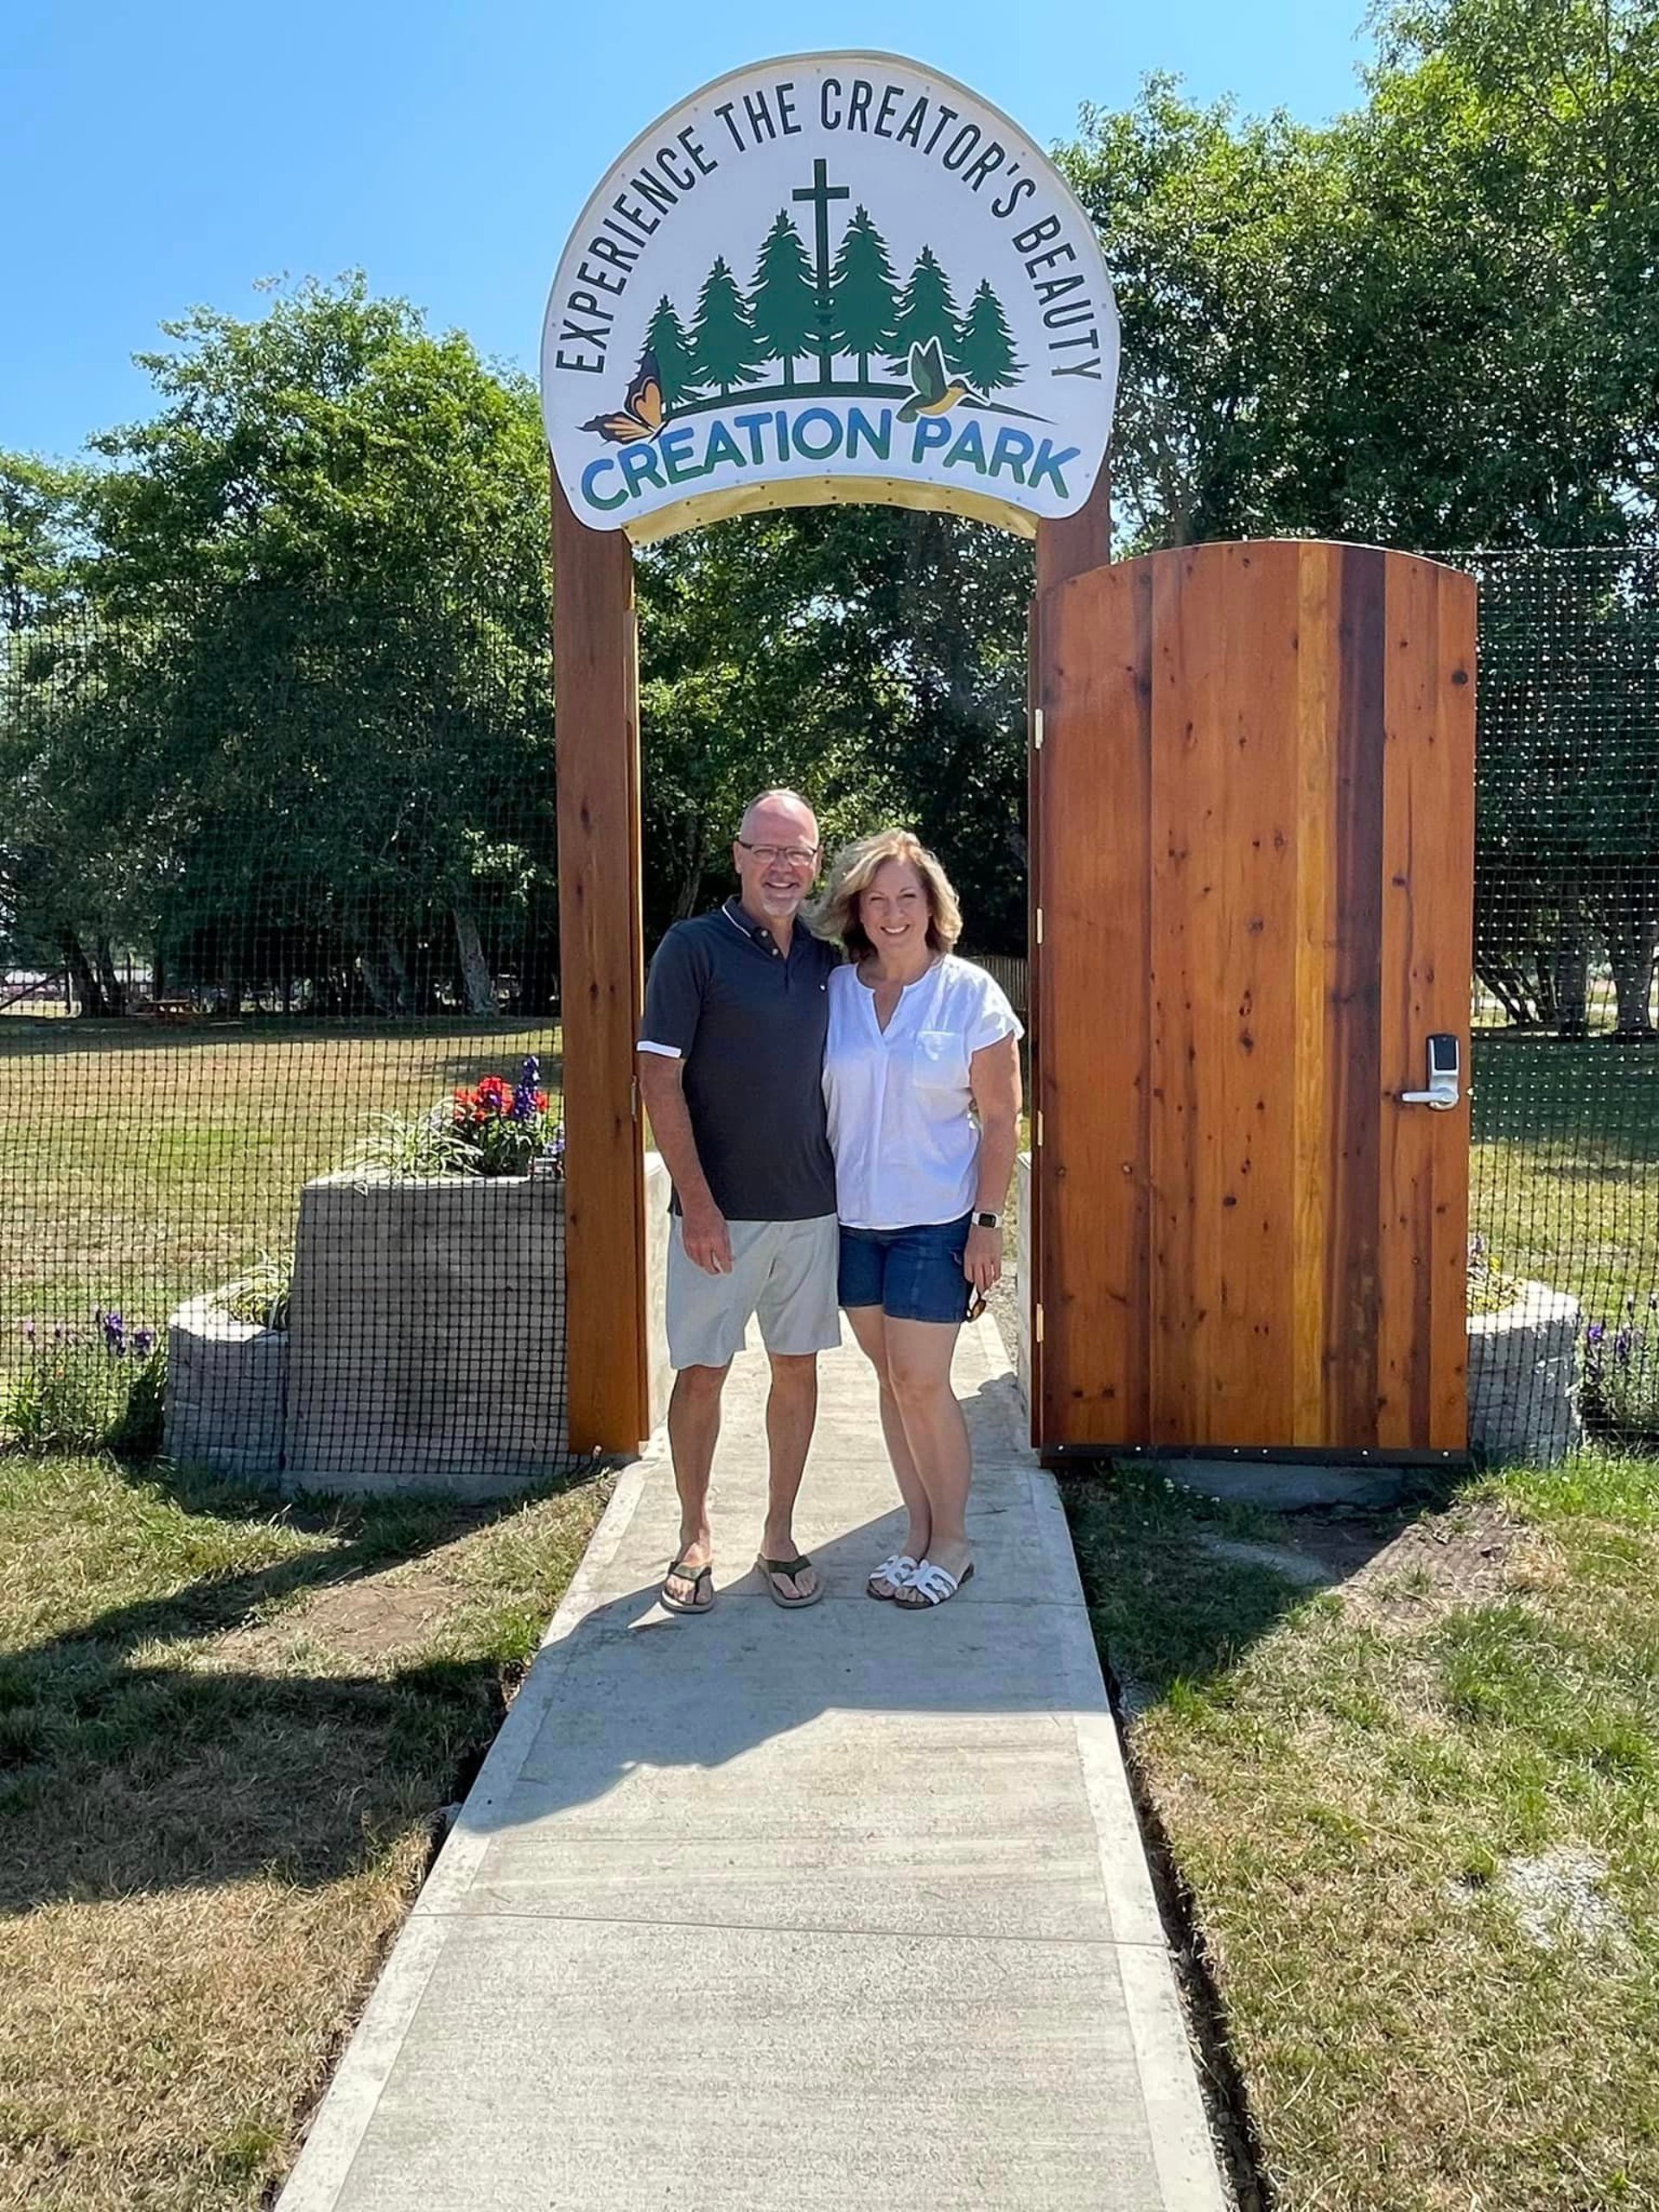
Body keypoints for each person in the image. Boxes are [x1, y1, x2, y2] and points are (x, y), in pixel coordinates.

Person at [636, 789, 842, 1615]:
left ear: (816, 863)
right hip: (717, 1217)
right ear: (739, 856)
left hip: (812, 1212)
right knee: (703, 1374)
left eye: (798, 852)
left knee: (798, 1370)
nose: (783, 866)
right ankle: (694, 1533)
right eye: (768, 849)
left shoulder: (832, 960)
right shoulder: (693, 948)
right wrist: (699, 1201)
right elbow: (659, 1075)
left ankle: (779, 1534)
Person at [817, 829, 1023, 1610]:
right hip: (853, 1221)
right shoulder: (835, 993)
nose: (893, 912)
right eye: (877, 899)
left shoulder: (970, 993)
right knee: (891, 1380)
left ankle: (953, 1542)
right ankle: (914, 1533)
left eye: (908, 897)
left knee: (923, 1380)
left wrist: (987, 1222)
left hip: (937, 1222)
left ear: (932, 907)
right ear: (856, 911)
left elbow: (1002, 1120)